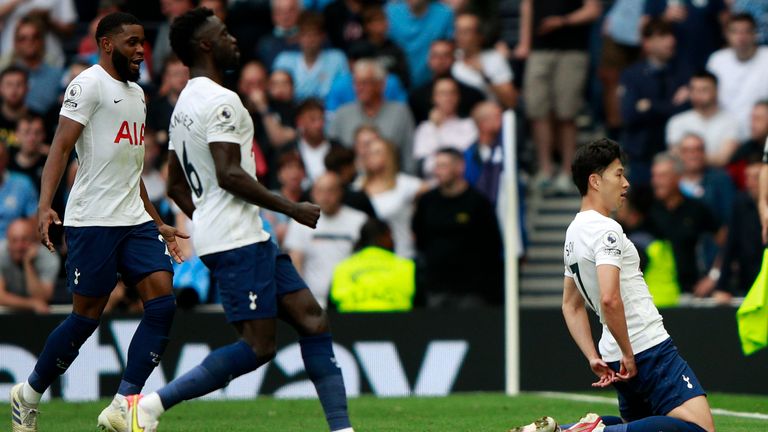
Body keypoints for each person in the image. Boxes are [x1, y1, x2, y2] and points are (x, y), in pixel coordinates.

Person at [127, 8, 355, 432]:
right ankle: (148, 407)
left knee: (311, 318)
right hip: (236, 238)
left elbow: (176, 185)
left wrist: (208, 218)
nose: (234, 39)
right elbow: (230, 173)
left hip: (238, 233)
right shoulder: (220, 100)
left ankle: (342, 429)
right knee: (257, 346)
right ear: (206, 45)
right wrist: (292, 207)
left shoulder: (182, 106)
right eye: (225, 33)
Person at [9, 12, 187, 432]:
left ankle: (123, 404)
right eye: (132, 42)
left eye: (143, 42)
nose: (141, 50)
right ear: (106, 44)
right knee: (86, 319)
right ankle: (28, 394)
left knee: (162, 301)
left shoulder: (139, 95)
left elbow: (133, 166)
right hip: (92, 219)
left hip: (133, 218)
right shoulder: (87, 85)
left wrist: (158, 220)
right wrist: (44, 205)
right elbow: (60, 146)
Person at [510, 138, 715, 432]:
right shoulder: (607, 229)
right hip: (645, 345)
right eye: (618, 174)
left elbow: (570, 305)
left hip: (612, 349)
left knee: (639, 426)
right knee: (699, 428)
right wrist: (628, 353)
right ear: (595, 180)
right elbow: (609, 298)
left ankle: (568, 429)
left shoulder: (573, 231)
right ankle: (595, 431)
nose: (626, 183)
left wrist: (593, 355)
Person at [515, 0, 602, 192]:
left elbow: (593, 9)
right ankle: (545, 169)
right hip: (538, 50)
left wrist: (563, 21)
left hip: (572, 50)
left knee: (567, 113)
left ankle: (567, 170)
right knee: (538, 112)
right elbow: (527, 5)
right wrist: (524, 42)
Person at [412, 148, 502, 308]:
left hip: (472, 291)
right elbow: (419, 239)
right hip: (435, 288)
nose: (438, 171)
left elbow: (492, 246)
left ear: (460, 167)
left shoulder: (478, 203)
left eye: (443, 165)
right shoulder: (426, 202)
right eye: (436, 166)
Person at [618, 19, 690, 185]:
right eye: (663, 36)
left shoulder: (683, 72)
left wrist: (649, 106)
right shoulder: (632, 75)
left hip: (674, 155)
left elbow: (685, 111)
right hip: (641, 154)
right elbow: (629, 114)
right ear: (647, 43)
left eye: (671, 35)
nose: (671, 40)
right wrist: (670, 106)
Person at [284, 172, 367, 308]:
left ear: (340, 192)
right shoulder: (300, 222)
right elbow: (296, 263)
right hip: (313, 302)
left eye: (330, 191)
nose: (325, 196)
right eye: (320, 191)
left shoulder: (359, 221)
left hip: (350, 301)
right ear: (313, 193)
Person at [329, 59, 415, 173]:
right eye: (356, 83)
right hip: (351, 183)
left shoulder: (400, 112)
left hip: (392, 182)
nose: (359, 88)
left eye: (365, 83)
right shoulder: (342, 113)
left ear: (381, 85)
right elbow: (332, 156)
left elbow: (409, 154)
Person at [355, 137, 424, 259]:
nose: (371, 156)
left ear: (389, 156)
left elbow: (432, 190)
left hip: (401, 255)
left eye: (377, 152)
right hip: (367, 258)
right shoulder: (358, 185)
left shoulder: (404, 184)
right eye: (369, 153)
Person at [330, 218, 415, 312]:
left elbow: (330, 311)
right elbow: (422, 310)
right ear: (385, 236)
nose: (392, 240)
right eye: (390, 236)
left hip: (351, 324)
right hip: (398, 324)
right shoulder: (406, 267)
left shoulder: (342, 268)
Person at [707, 13, 768, 141]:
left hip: (762, 136)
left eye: (746, 31)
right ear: (727, 35)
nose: (741, 37)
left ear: (755, 34)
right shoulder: (717, 60)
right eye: (735, 32)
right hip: (724, 135)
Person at [665, 71, 739, 167]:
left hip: (716, 175)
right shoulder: (677, 121)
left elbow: (722, 159)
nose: (697, 94)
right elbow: (675, 155)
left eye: (704, 89)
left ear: (716, 91)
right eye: (694, 89)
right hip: (684, 176)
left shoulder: (731, 122)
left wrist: (689, 157)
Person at [273, 11, 348, 101]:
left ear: (323, 36)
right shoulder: (284, 61)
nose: (309, 39)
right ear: (298, 37)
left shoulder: (337, 59)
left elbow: (345, 93)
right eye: (305, 34)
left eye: (314, 34)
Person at [408, 39, 485, 124]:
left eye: (446, 55)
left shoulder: (473, 96)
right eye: (436, 56)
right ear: (429, 60)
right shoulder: (416, 98)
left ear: (454, 59)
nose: (441, 60)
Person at [413, 77, 477, 177]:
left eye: (452, 93)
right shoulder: (425, 128)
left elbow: (466, 159)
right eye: (442, 93)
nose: (448, 97)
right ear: (434, 98)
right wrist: (436, 129)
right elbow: (423, 165)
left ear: (458, 97)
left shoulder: (469, 125)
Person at [451, 12, 516, 109]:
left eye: (466, 32)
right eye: (458, 31)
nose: (460, 36)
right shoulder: (449, 57)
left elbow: (511, 101)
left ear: (479, 36)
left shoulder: (495, 59)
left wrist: (484, 75)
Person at [385, 0, 454, 89]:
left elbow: (450, 49)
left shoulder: (445, 14)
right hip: (397, 88)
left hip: (434, 87)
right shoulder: (390, 12)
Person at [0, 218, 59, 313]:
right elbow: (1, 297)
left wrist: (28, 264)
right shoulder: (1, 253)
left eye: (24, 240)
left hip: (39, 319)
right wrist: (31, 304)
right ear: (7, 241)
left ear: (34, 241)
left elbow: (43, 299)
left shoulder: (49, 259)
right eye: (14, 240)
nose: (19, 246)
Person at [256, 0, 301, 68]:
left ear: (300, 12)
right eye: (280, 11)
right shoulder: (264, 44)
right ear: (273, 15)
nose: (286, 16)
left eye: (291, 10)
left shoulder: (309, 40)